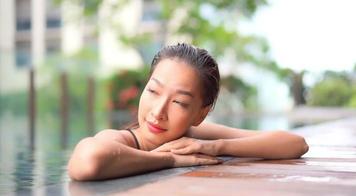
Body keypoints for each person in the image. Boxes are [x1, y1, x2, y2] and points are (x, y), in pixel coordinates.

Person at [68, 43, 309, 181]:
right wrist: (169, 160)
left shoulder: (196, 136)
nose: (158, 112)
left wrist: (216, 147)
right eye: (153, 91)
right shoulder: (124, 140)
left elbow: (295, 144)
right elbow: (87, 160)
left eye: (179, 102)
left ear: (200, 114)